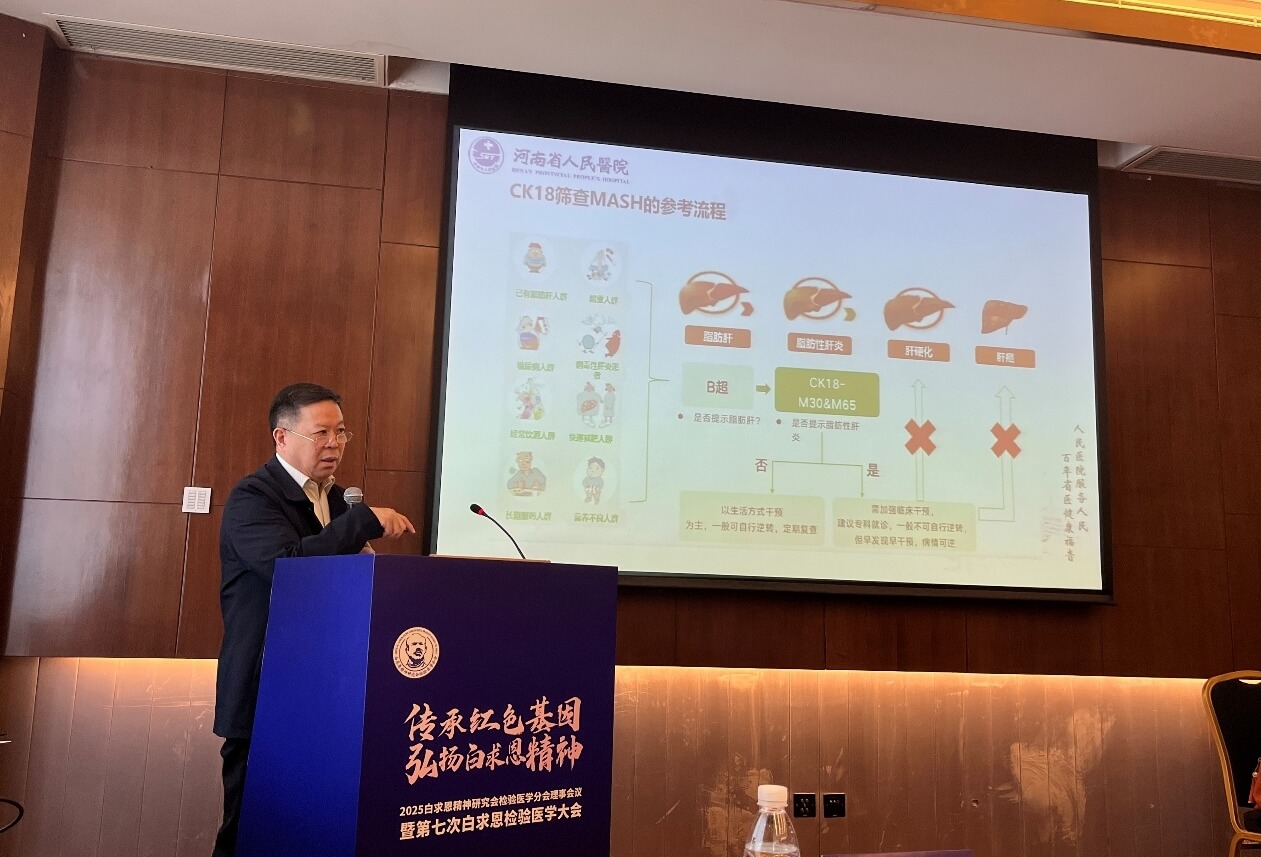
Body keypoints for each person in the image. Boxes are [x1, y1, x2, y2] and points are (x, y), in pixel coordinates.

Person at [212, 383, 415, 857]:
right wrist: (361, 523)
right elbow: (288, 567)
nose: (334, 444)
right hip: (267, 691)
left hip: (327, 694)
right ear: (282, 437)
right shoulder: (253, 497)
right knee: (251, 834)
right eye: (321, 433)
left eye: (341, 433)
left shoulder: (338, 500)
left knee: (315, 832)